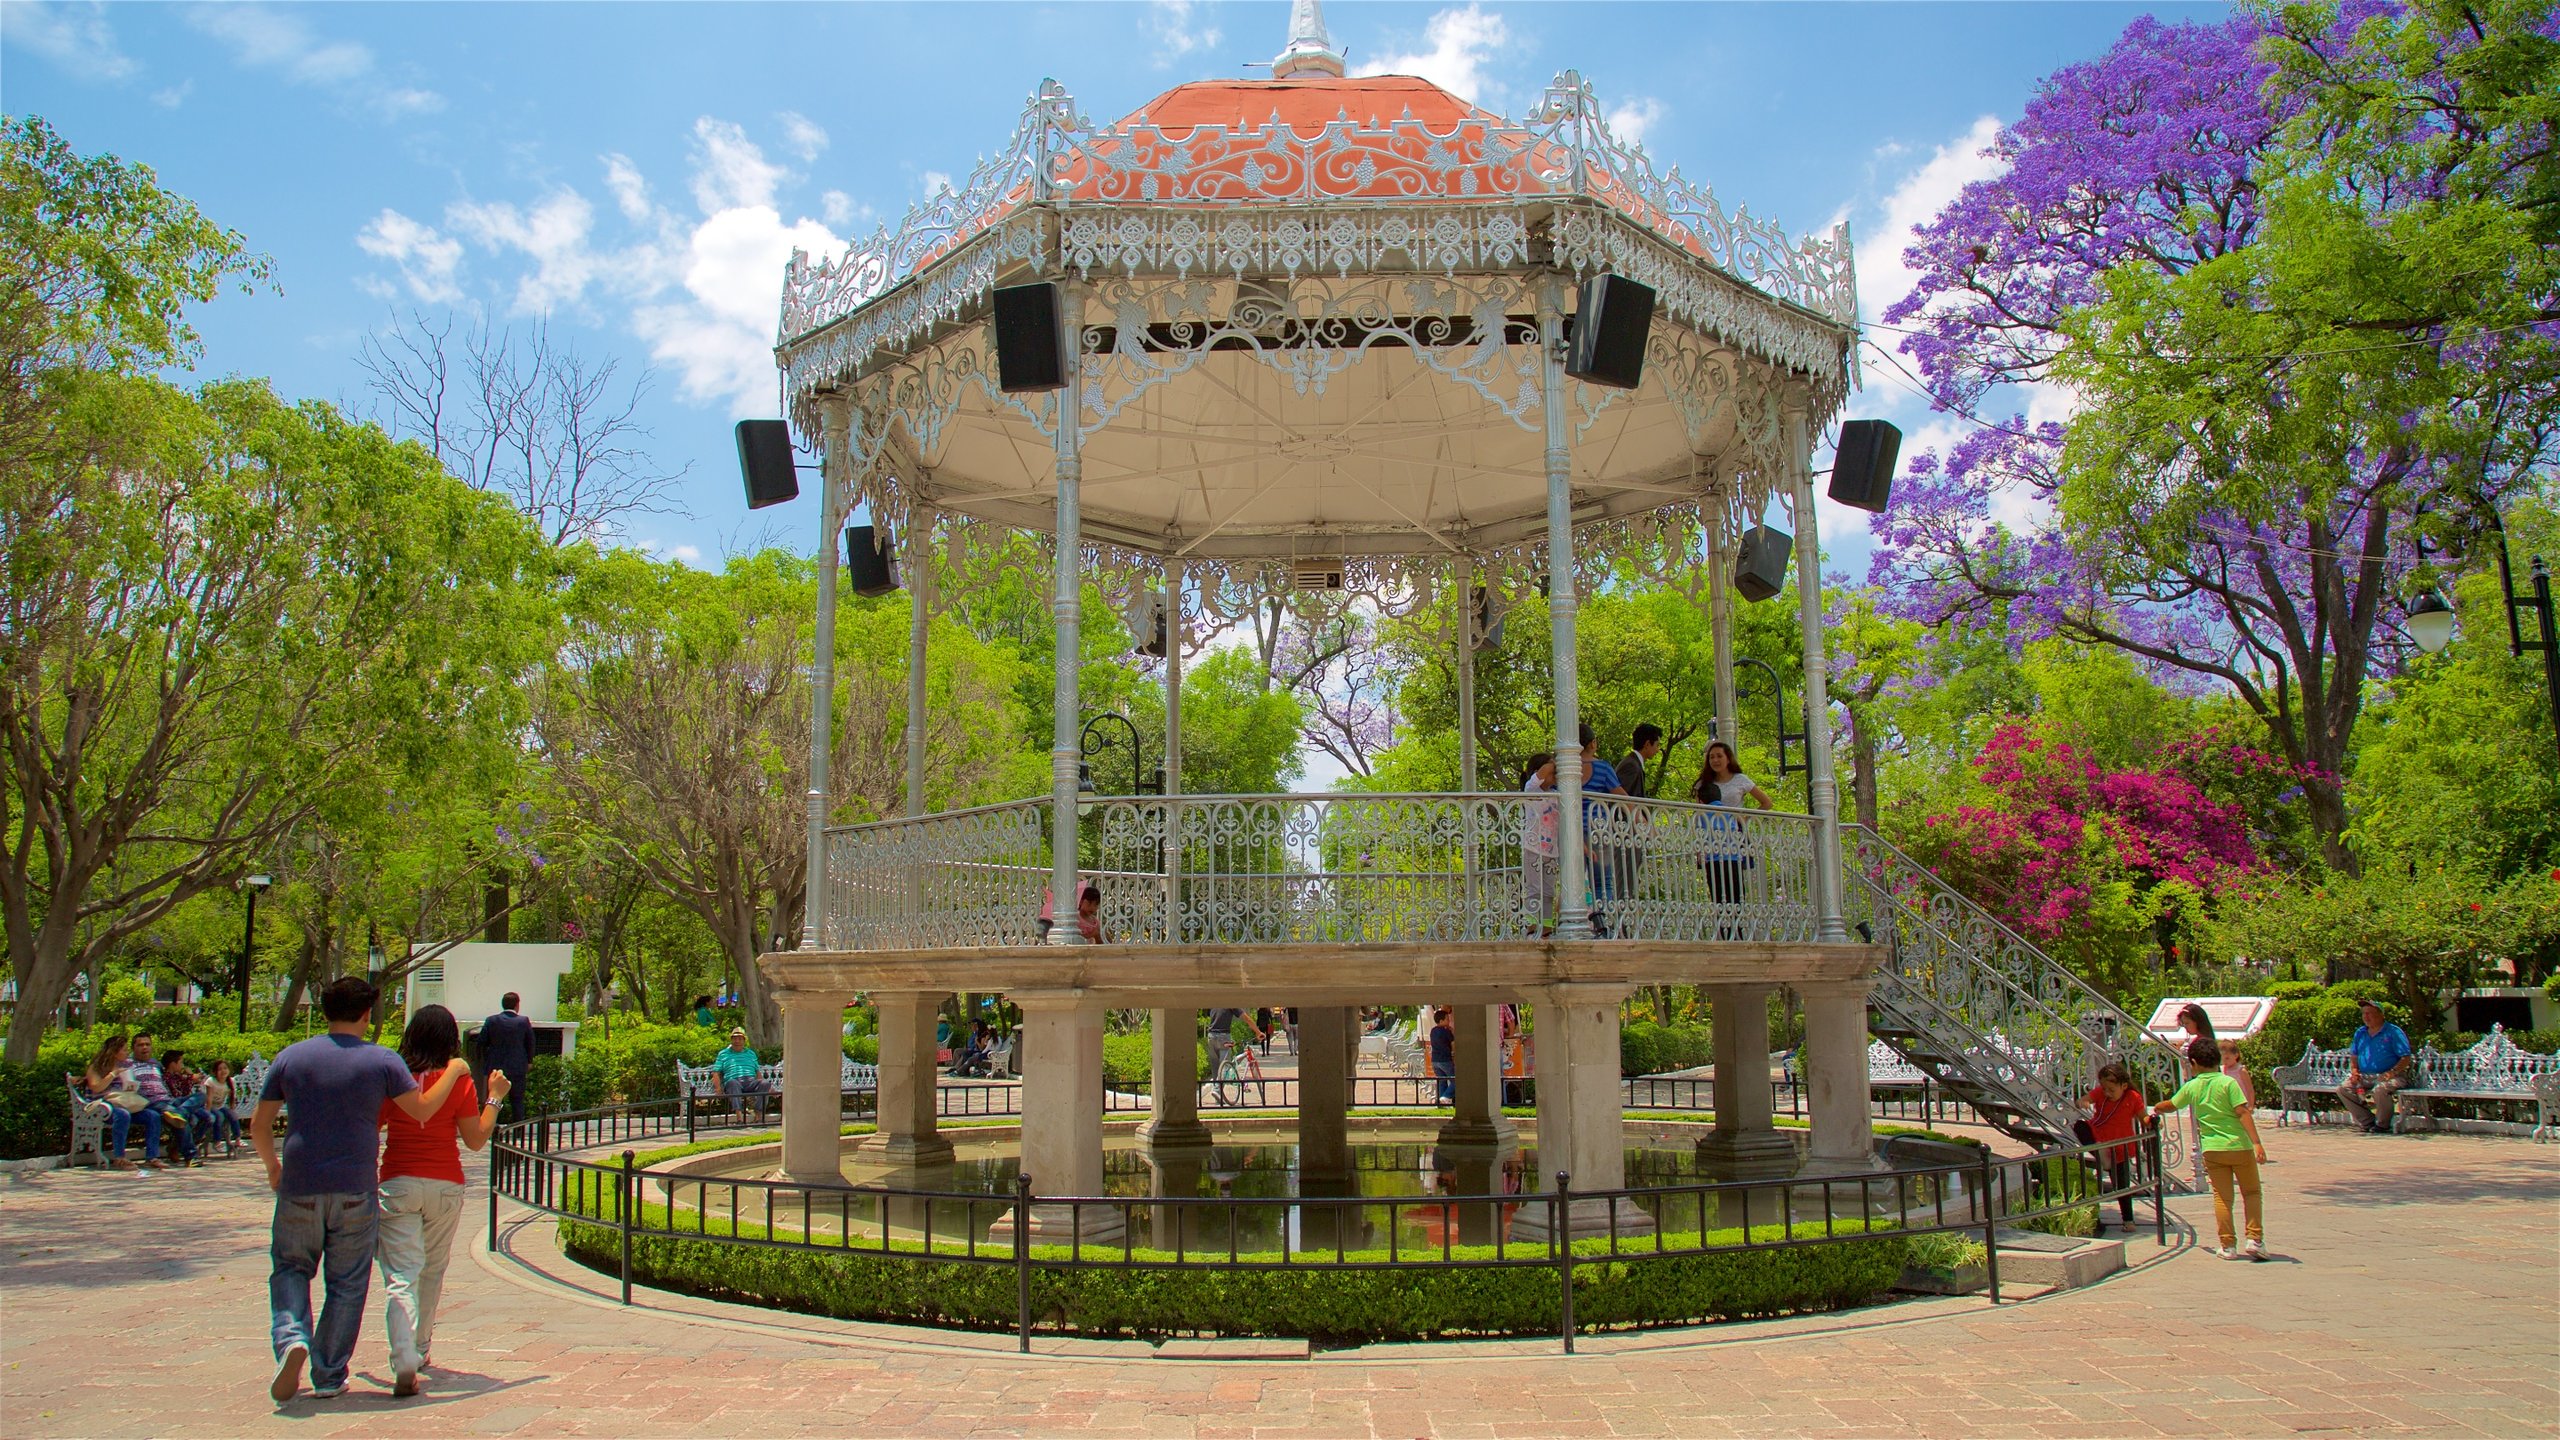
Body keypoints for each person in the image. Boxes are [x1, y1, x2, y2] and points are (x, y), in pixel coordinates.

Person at [254, 975, 468, 1403]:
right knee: (348, 1281)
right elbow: (423, 1109)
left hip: (300, 1183)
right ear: (367, 1014)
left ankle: (293, 1337)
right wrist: (458, 1069)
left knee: (291, 1268)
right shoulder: (382, 1062)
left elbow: (260, 1125)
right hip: (356, 1186)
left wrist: (272, 1167)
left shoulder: (291, 1058)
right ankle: (329, 1373)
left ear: (324, 1008)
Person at [374, 1004, 508, 1397]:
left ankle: (403, 1355)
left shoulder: (394, 1078)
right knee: (431, 1271)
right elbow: (476, 1138)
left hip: (398, 1179)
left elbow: (374, 1124)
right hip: (444, 1183)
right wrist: (495, 1098)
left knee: (401, 1274)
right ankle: (419, 1348)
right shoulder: (459, 1081)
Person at [2151, 1037, 2269, 1260]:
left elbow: (2172, 1104)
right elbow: (2242, 1112)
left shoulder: (2193, 1086)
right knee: (2251, 1192)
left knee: (2222, 1198)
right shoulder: (2228, 1083)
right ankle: (2254, 1239)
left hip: (2212, 1149)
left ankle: (2227, 1245)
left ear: (2193, 1063)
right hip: (2238, 1146)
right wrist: (2256, 1142)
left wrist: (2157, 1107)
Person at [1692, 742, 1769, 911]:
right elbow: (1699, 814)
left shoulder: (1740, 779)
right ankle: (1723, 930)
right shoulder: (1703, 784)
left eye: (1719, 756)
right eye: (1711, 757)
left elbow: (1766, 803)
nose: (1715, 760)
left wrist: (1744, 818)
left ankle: (1737, 931)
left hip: (1734, 835)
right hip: (1710, 836)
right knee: (1716, 885)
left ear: (1728, 758)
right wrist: (1698, 845)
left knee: (1735, 884)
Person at [80, 1034, 167, 1173]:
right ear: (114, 1052)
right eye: (124, 1050)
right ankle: (119, 1157)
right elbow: (96, 1087)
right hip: (103, 1108)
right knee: (123, 1115)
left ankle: (152, 1157)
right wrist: (113, 1074)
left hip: (123, 1104)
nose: (127, 1053)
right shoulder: (97, 1067)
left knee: (153, 1116)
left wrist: (131, 1085)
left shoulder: (127, 1065)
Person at [2080, 1062, 2147, 1234]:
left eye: (2111, 1090)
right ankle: (2101, 1154)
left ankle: (2128, 1219)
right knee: (2079, 1126)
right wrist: (2084, 1102)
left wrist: (2152, 1121)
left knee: (2121, 1184)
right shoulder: (2101, 1093)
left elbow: (2143, 1117)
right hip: (2100, 1136)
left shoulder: (2133, 1097)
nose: (2107, 1093)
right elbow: (2084, 1099)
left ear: (2123, 1086)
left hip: (2120, 1145)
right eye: (2104, 1089)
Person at [2339, 998, 2415, 1135]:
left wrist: (2392, 1072)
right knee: (2343, 1089)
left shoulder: (2393, 1032)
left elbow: (2406, 1057)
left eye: (2369, 1013)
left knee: (2380, 1089)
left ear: (2381, 1015)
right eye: (2364, 1014)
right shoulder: (2361, 1032)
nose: (2366, 1017)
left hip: (2392, 1075)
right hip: (2366, 1076)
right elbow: (2354, 1056)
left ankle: (2382, 1125)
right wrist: (2355, 1072)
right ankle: (2367, 1121)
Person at [124, 1034, 199, 1166]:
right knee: (191, 1119)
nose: (144, 1047)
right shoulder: (128, 1064)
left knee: (200, 1097)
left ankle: (178, 1113)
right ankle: (191, 1156)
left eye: (147, 1044)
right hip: (150, 1102)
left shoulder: (155, 1063)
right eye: (140, 1045)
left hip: (168, 1100)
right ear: (133, 1047)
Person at [478, 993, 534, 1126]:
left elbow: (481, 1042)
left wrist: (487, 1060)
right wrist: (529, 1061)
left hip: (495, 1068)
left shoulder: (491, 1020)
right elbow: (530, 1042)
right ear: (517, 1005)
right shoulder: (523, 1021)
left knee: (494, 1099)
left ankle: (492, 1128)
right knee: (517, 1100)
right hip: (517, 1067)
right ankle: (518, 1130)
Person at [1519, 752, 1559, 927]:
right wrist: (1557, 762)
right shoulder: (1531, 789)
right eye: (1552, 772)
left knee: (1549, 892)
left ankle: (1547, 927)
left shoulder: (1556, 794)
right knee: (1535, 890)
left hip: (1551, 851)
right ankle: (1531, 927)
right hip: (1533, 848)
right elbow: (1546, 770)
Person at [162, 1045, 217, 1158]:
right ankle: (179, 1146)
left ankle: (177, 1146)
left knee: (209, 1117)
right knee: (193, 1119)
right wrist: (190, 1078)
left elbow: (188, 1093)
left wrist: (189, 1077)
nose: (183, 1065)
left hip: (187, 1106)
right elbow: (177, 1095)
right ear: (173, 1064)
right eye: (181, 1062)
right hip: (175, 1105)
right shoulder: (167, 1077)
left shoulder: (180, 1076)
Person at [712, 1028, 771, 1115]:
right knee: (732, 1083)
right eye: (735, 1039)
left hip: (750, 1081)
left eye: (740, 1039)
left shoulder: (750, 1053)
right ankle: (739, 1114)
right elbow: (716, 1072)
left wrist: (766, 1085)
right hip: (734, 1081)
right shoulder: (723, 1054)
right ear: (731, 1040)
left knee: (765, 1083)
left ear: (744, 1041)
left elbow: (757, 1072)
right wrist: (718, 1089)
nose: (737, 1041)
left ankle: (758, 1113)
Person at [201, 1059, 244, 1156]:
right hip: (210, 1106)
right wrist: (207, 1112)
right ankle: (217, 1142)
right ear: (215, 1072)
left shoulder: (231, 1081)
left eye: (225, 1068)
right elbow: (209, 1098)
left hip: (220, 1106)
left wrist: (232, 1108)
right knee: (219, 1116)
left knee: (233, 1115)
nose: (223, 1071)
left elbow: (232, 1096)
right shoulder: (211, 1081)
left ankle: (238, 1139)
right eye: (220, 1069)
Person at [1617, 723, 1664, 801]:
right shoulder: (1631, 765)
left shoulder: (1634, 763)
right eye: (1657, 745)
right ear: (1647, 744)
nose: (1657, 750)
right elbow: (1619, 797)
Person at [1428, 1007, 1456, 1104]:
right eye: (1447, 1019)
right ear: (1441, 1021)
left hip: (1435, 1060)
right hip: (1445, 1059)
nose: (1449, 1021)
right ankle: (1446, 1096)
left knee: (1441, 1081)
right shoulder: (1446, 1031)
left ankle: (1441, 1101)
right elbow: (1453, 1044)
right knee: (1456, 1080)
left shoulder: (1433, 1031)